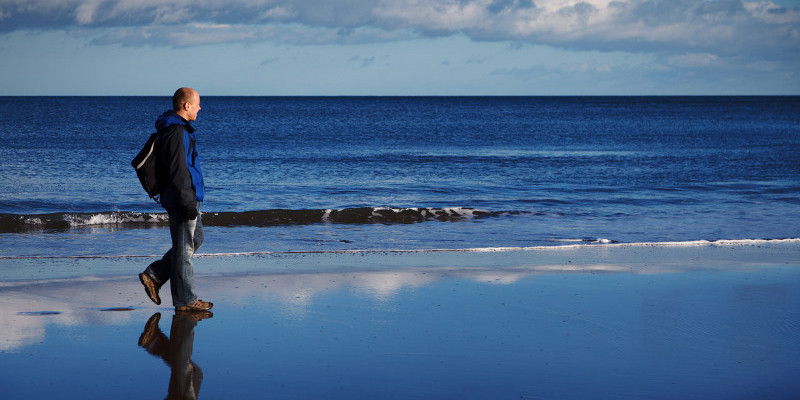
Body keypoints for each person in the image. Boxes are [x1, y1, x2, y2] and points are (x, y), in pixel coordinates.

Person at [139, 87, 213, 312]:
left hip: (186, 196)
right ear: (186, 105)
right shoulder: (176, 131)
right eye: (197, 104)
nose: (200, 108)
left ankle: (155, 275)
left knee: (195, 240)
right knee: (184, 251)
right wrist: (187, 201)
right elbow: (178, 170)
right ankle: (186, 301)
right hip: (182, 198)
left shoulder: (178, 129)